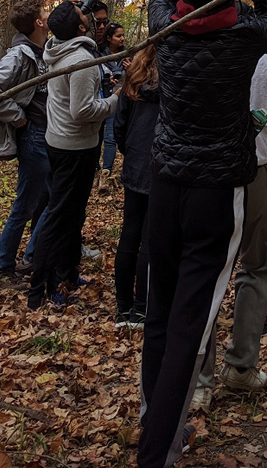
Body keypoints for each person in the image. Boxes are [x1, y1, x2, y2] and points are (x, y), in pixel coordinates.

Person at [138, 0, 267, 468]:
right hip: (215, 193)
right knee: (188, 324)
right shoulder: (245, 37)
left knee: (161, 309)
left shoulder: (167, 29)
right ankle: (158, 449)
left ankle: (152, 417)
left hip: (168, 186)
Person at [194, 52, 267, 407]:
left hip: (201, 175)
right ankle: (241, 364)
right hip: (252, 171)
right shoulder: (263, 63)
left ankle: (197, 381)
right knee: (258, 266)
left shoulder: (192, 53)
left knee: (204, 270)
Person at [27, 0, 119, 309]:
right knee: (58, 218)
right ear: (81, 28)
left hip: (64, 142)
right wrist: (116, 99)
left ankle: (67, 273)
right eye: (85, 15)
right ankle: (41, 287)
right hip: (73, 148)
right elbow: (83, 111)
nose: (91, 16)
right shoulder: (79, 59)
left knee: (72, 214)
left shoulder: (58, 48)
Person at [0, 0, 49, 282]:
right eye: (45, 13)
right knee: (26, 205)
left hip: (46, 136)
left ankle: (31, 256)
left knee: (49, 199)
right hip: (33, 137)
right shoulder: (20, 54)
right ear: (38, 23)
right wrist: (16, 115)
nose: (49, 15)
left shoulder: (40, 51)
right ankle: (4, 269)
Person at [113, 44, 158, 328]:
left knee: (131, 236)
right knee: (148, 240)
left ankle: (125, 308)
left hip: (138, 162)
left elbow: (120, 123)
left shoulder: (135, 75)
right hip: (159, 165)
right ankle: (138, 308)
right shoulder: (175, 75)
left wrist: (129, 151)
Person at [98, 22, 129, 188]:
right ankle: (94, 168)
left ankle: (106, 172)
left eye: (123, 35)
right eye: (118, 35)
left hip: (117, 99)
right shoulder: (98, 54)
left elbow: (134, 77)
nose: (122, 38)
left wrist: (130, 71)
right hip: (99, 98)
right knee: (97, 136)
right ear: (109, 38)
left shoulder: (128, 55)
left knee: (110, 137)